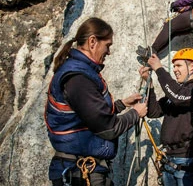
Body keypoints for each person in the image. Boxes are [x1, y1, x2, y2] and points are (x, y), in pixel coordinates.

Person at [44, 17, 148, 186]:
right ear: (93, 42)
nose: (109, 52)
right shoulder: (78, 79)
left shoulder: (79, 72)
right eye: (107, 45)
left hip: (83, 170)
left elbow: (89, 114)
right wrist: (135, 113)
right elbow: (108, 128)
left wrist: (122, 104)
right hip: (81, 174)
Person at [139, 48, 193, 186]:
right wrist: (149, 86)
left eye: (178, 65)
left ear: (192, 66)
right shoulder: (177, 92)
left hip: (187, 160)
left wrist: (158, 68)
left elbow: (178, 97)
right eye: (174, 66)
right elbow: (154, 112)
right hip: (169, 160)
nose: (175, 69)